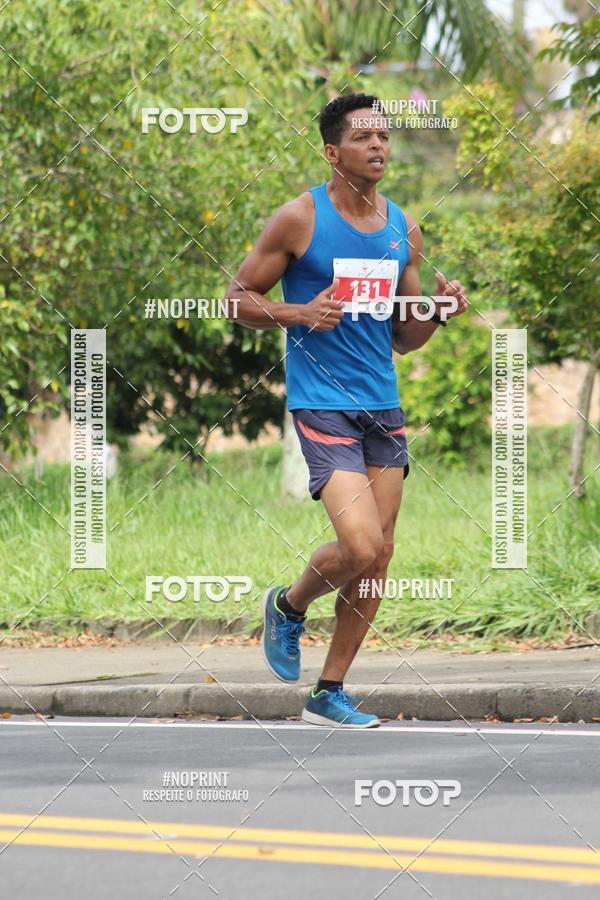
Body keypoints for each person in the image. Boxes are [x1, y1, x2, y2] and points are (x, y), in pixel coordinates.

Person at [225, 92, 467, 727]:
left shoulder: (402, 229)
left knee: (378, 555)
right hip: (322, 404)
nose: (379, 146)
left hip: (382, 407)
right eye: (363, 138)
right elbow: (236, 298)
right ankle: (289, 603)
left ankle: (328, 692)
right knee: (358, 545)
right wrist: (298, 312)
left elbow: (403, 335)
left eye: (384, 136)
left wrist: (436, 312)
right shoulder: (298, 219)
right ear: (333, 152)